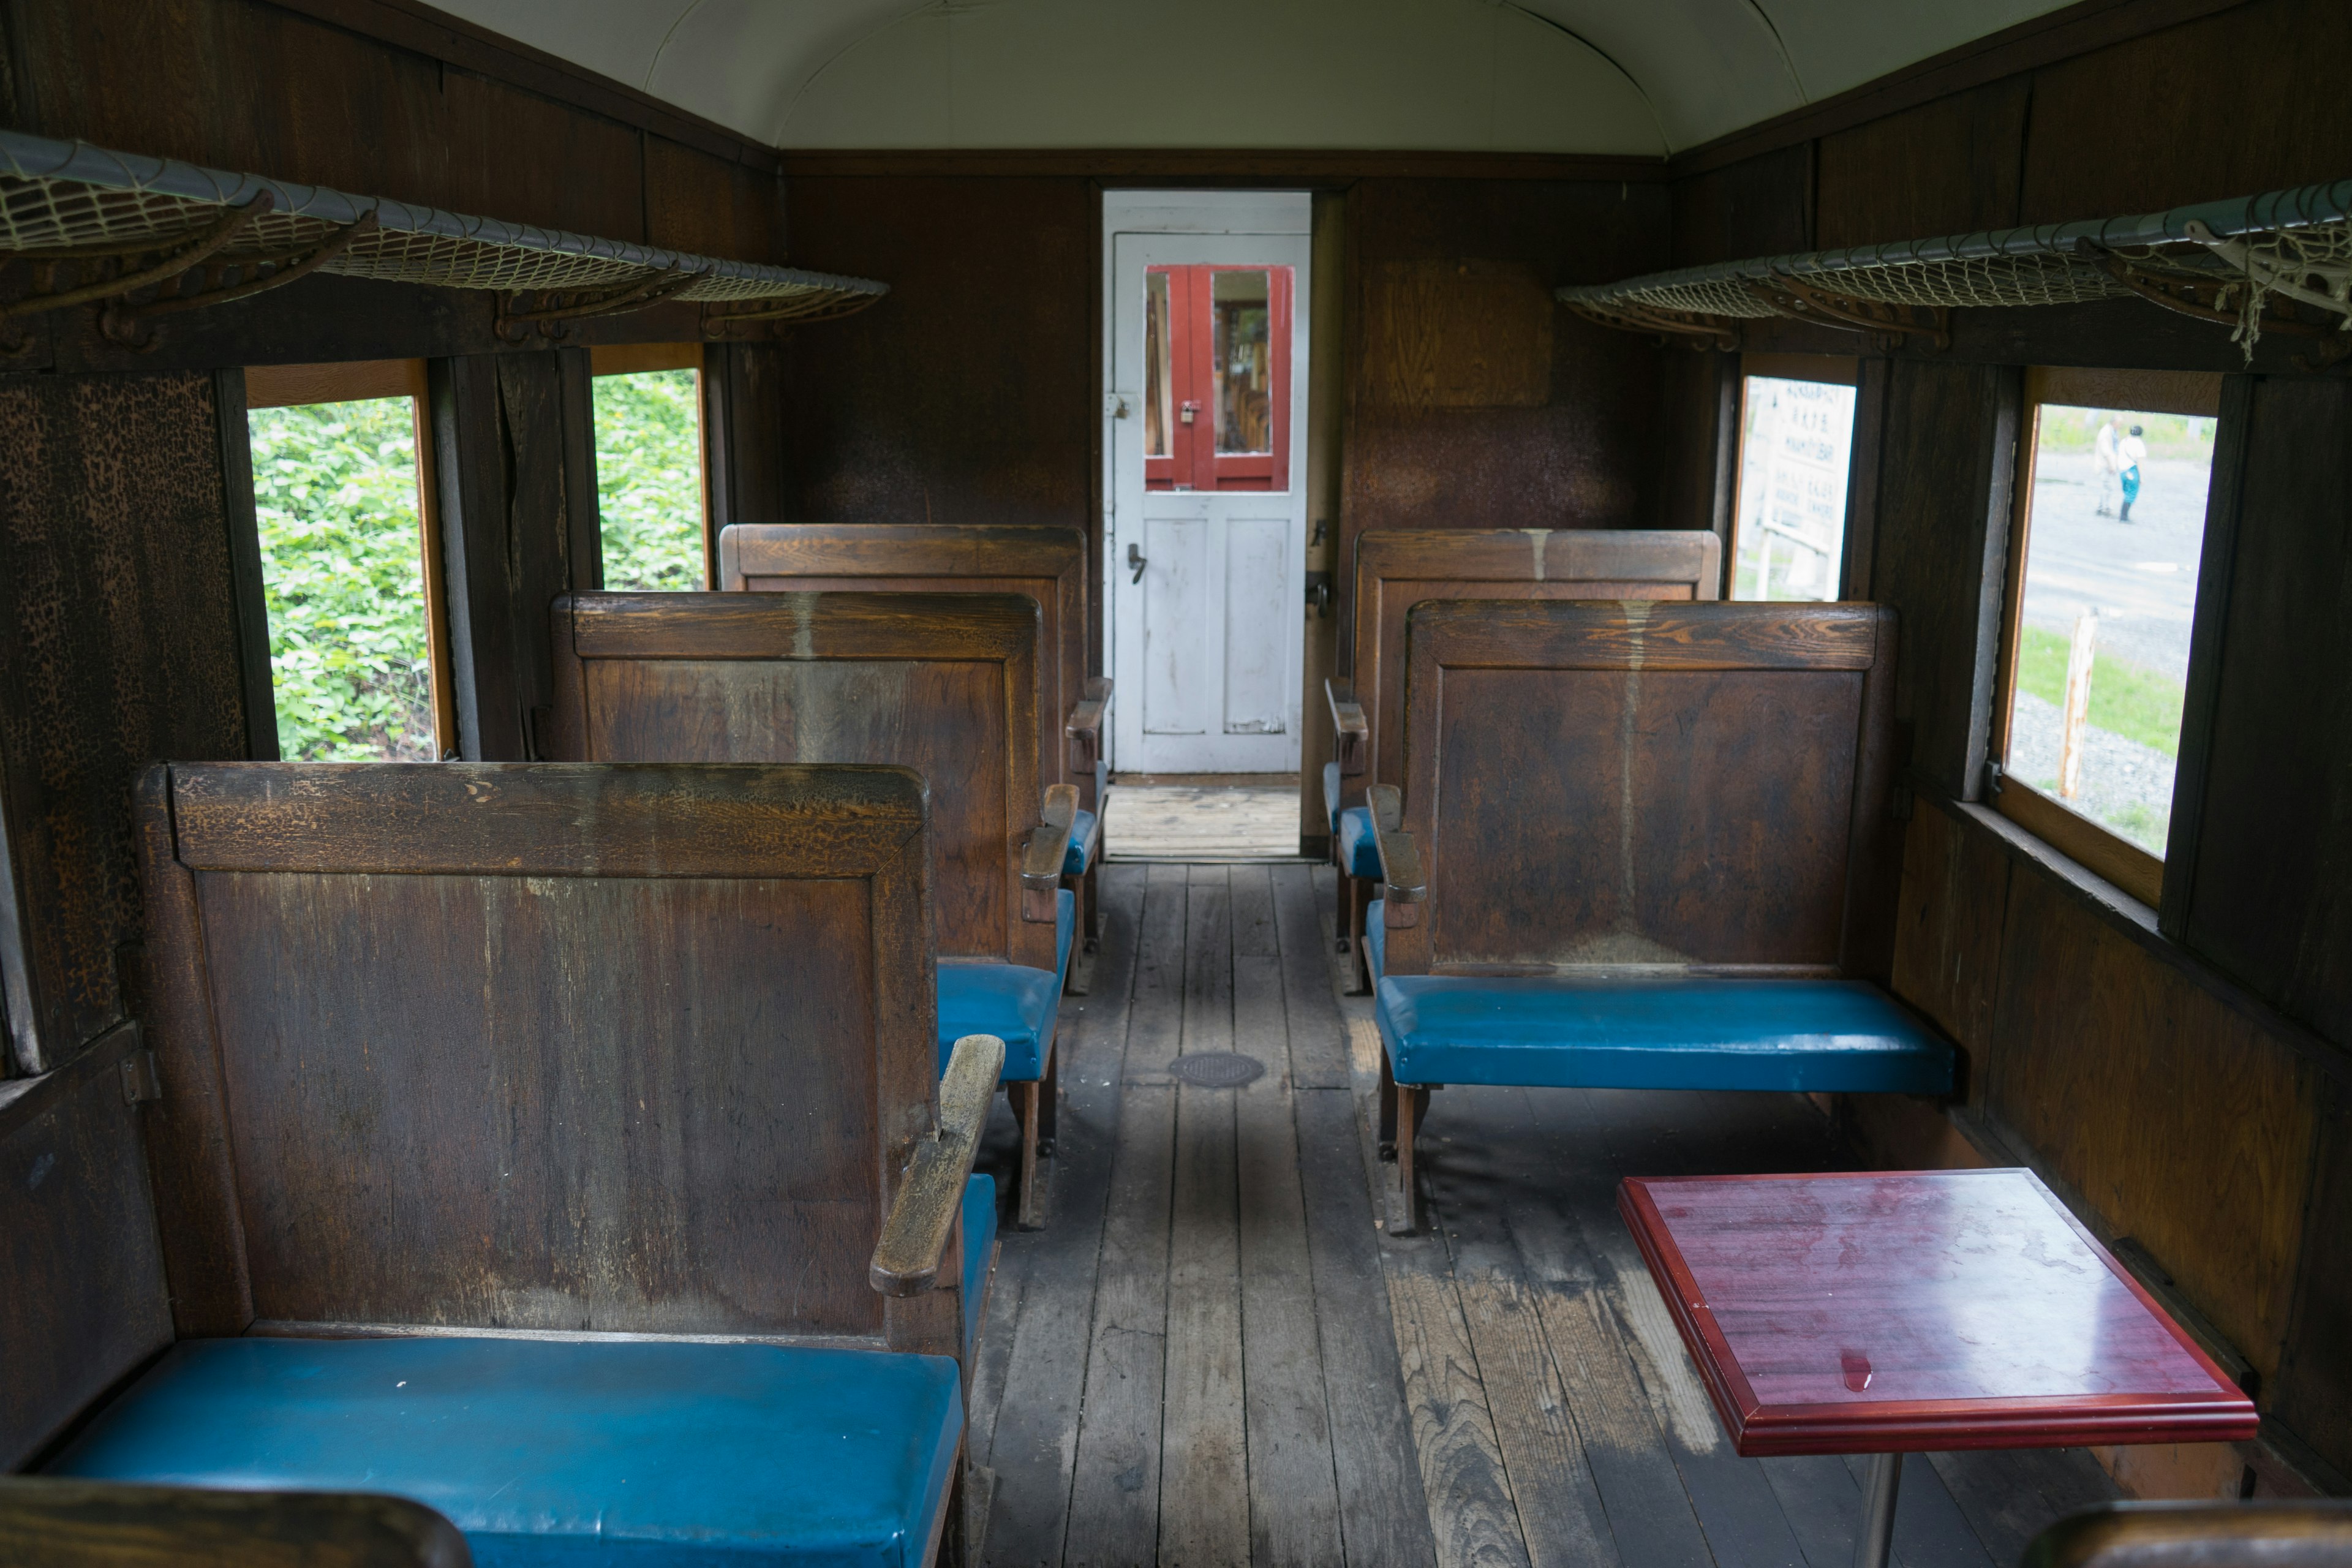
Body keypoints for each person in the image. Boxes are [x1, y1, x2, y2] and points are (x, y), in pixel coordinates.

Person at [2118, 423, 2147, 522]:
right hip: (2132, 471)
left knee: (2126, 493)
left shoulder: (2124, 441)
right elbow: (2140, 463)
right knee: (2131, 494)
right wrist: (2142, 477)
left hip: (2122, 471)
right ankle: (2124, 517)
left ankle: (2123, 516)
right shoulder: (2139, 444)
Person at [2094, 416, 2120, 516]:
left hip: (2109, 463)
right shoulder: (2106, 432)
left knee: (2106, 486)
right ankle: (2105, 508)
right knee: (2108, 487)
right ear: (2114, 422)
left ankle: (2102, 507)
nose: (2120, 426)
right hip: (2105, 464)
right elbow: (2106, 451)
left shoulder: (2113, 431)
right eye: (2119, 423)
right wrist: (2111, 465)